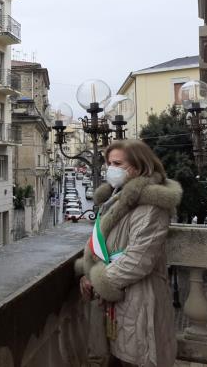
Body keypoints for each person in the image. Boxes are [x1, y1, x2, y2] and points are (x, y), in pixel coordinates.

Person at [75, 139, 181, 367]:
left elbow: (138, 259)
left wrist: (98, 281)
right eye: (108, 163)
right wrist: (88, 272)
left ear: (140, 166)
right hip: (117, 299)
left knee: (138, 357)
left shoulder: (152, 205)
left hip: (140, 299)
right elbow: (104, 244)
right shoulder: (116, 199)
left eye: (117, 163)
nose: (110, 169)